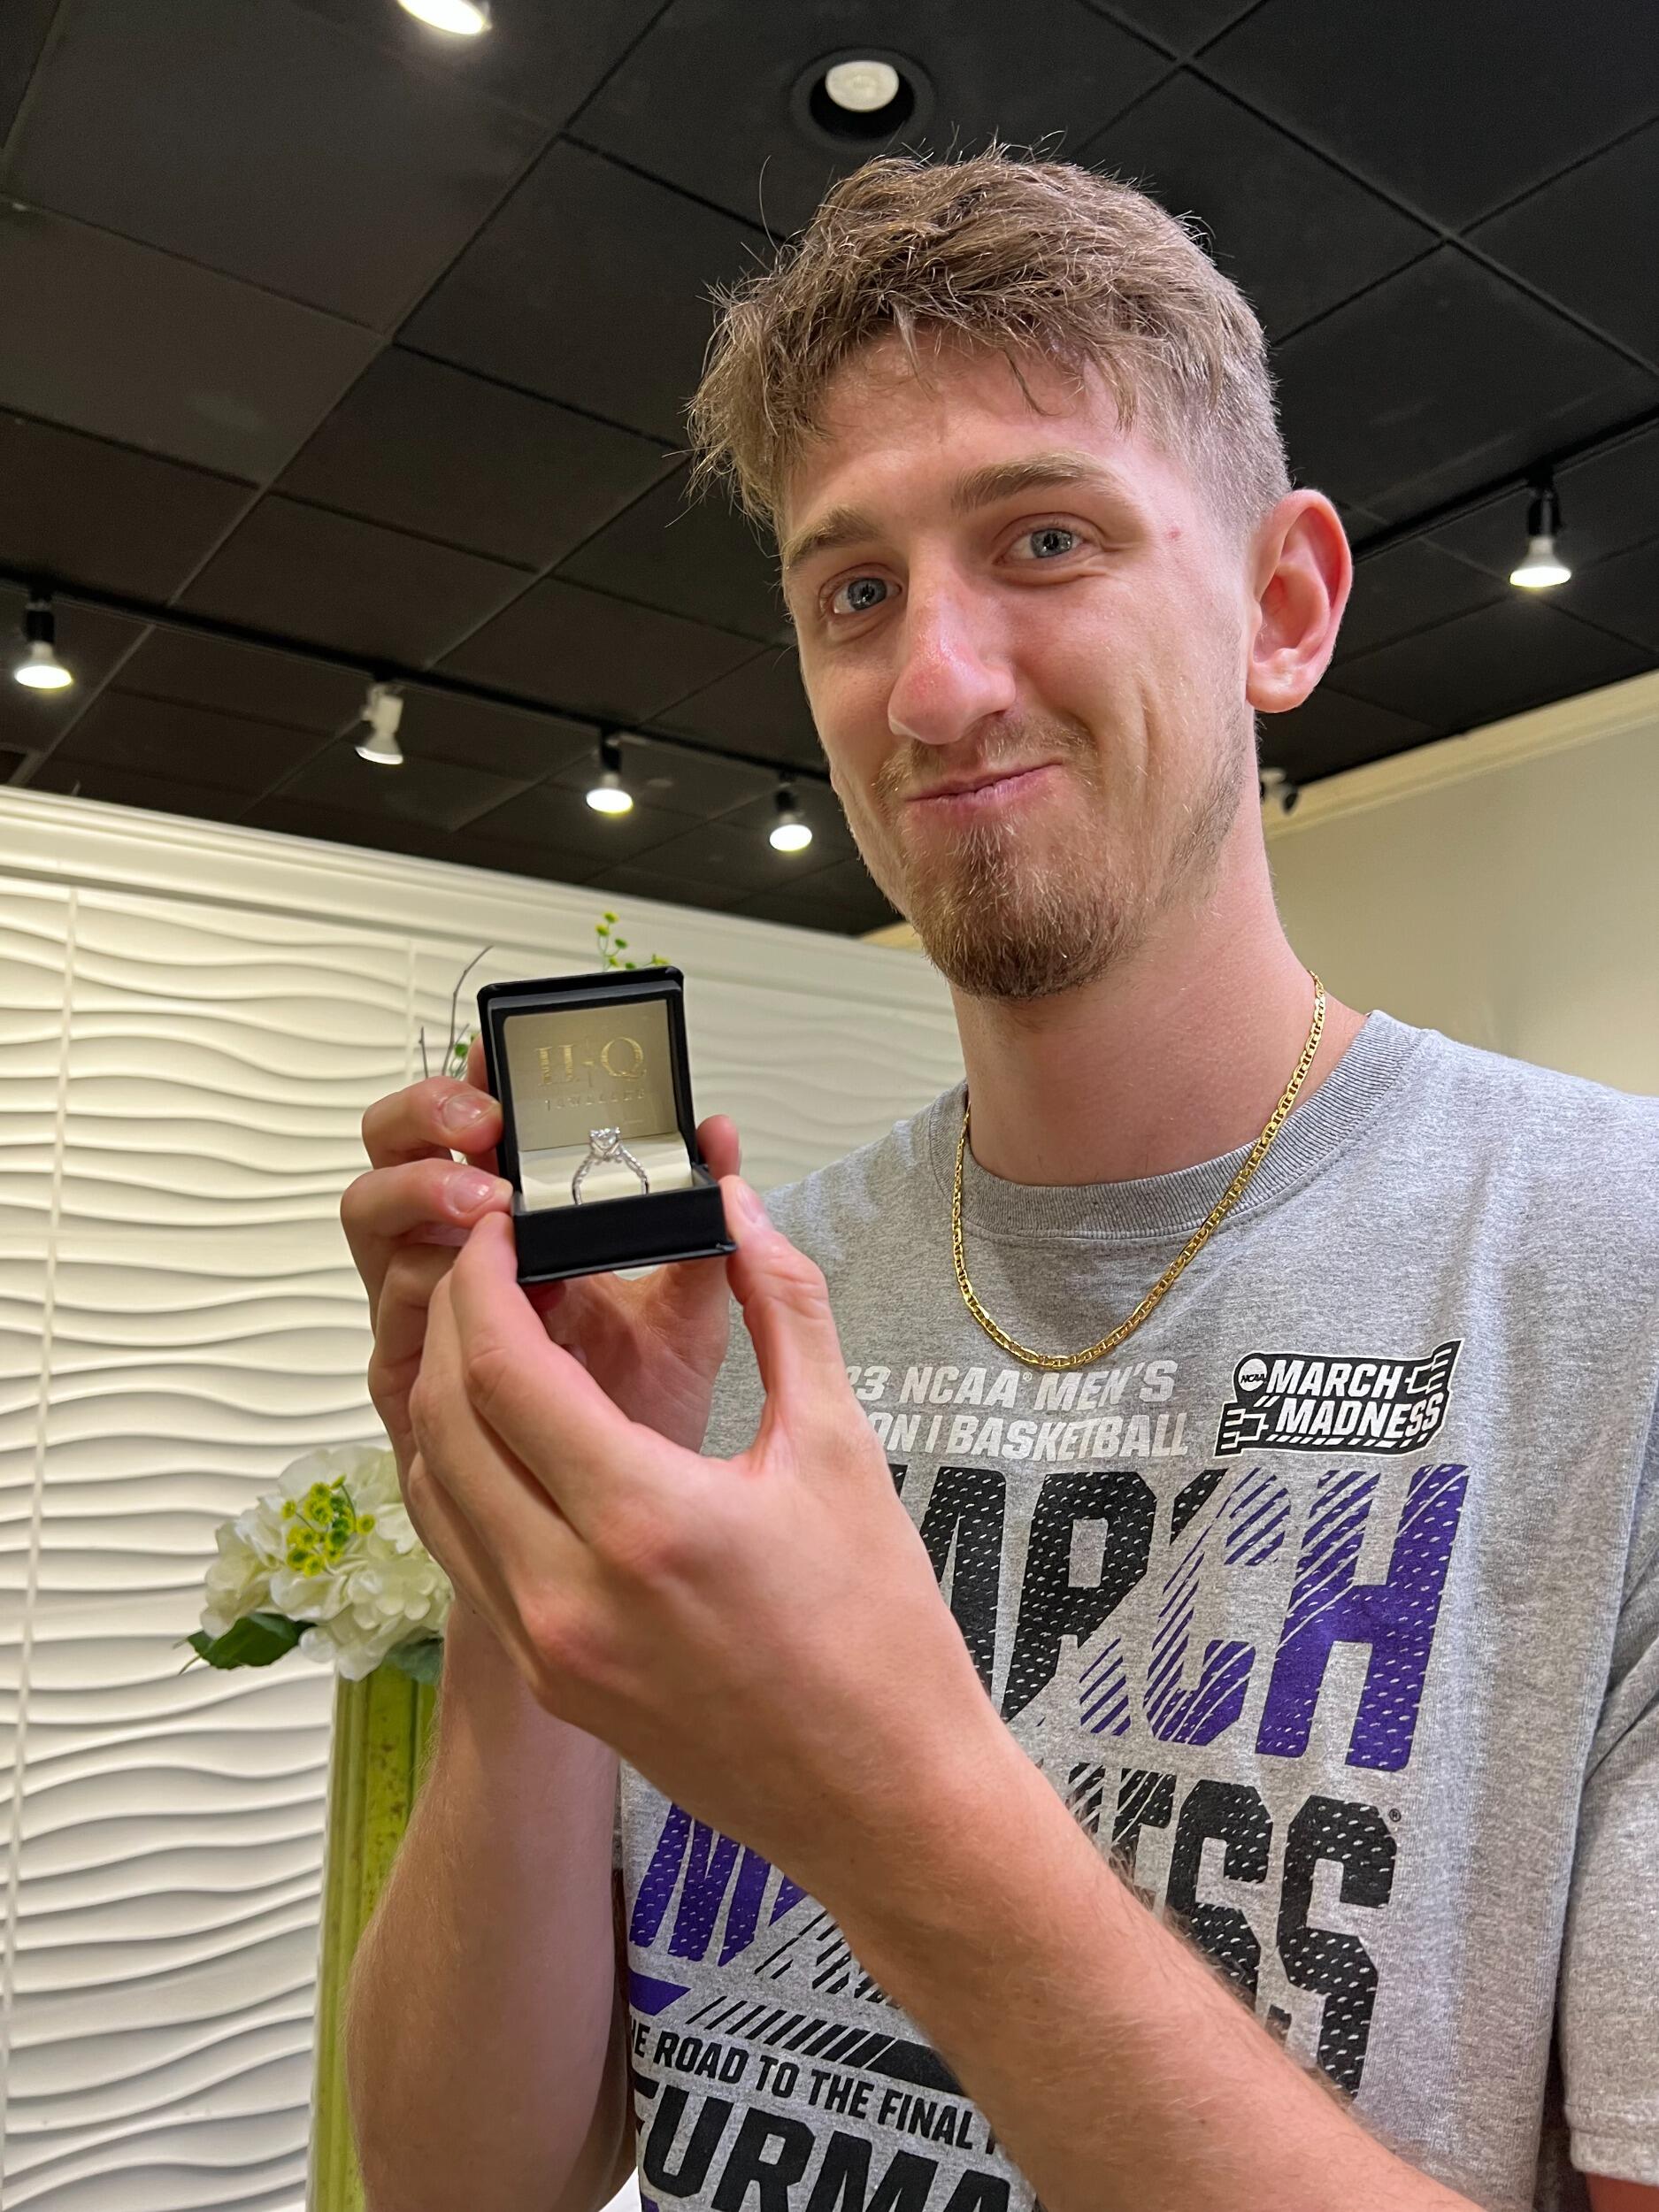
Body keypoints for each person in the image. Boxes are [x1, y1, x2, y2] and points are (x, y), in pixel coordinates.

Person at [338, 152, 1658, 2212]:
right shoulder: (752, 1298)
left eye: (1043, 537)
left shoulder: (1612, 1275)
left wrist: (891, 1802)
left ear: (1282, 605)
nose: (932, 687)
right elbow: (455, 2176)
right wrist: (528, 1574)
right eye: (851, 591)